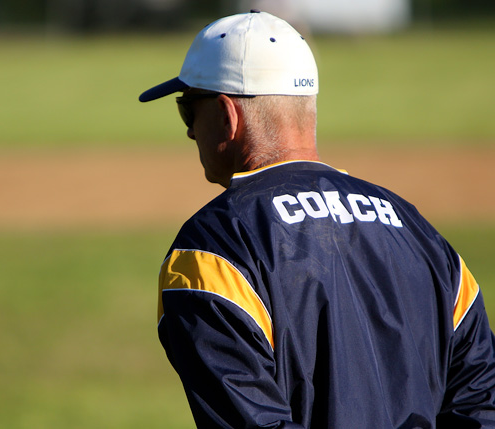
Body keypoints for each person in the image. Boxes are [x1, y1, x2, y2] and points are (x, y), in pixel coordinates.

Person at [139, 10, 495, 428]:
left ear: (226, 114)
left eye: (187, 110)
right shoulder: (421, 234)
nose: (189, 131)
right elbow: (481, 404)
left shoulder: (211, 250)